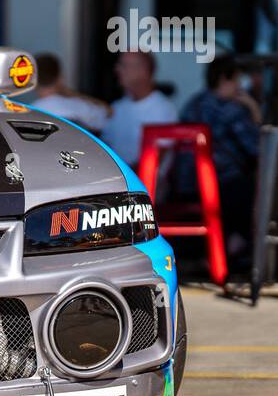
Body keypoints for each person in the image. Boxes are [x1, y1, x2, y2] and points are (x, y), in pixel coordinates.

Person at [180, 55, 262, 253]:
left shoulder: (193, 104)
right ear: (225, 80)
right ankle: (238, 245)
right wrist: (254, 110)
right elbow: (258, 148)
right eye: (237, 80)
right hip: (223, 184)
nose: (240, 87)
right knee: (259, 181)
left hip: (186, 182)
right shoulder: (231, 109)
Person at [101, 49, 178, 165]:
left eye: (124, 65)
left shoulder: (163, 109)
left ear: (143, 71)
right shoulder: (116, 108)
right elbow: (104, 148)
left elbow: (156, 159)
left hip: (140, 182)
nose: (117, 69)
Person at [29, 53, 110, 132]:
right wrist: (72, 93)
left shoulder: (29, 112)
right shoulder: (78, 106)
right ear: (60, 78)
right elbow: (108, 114)